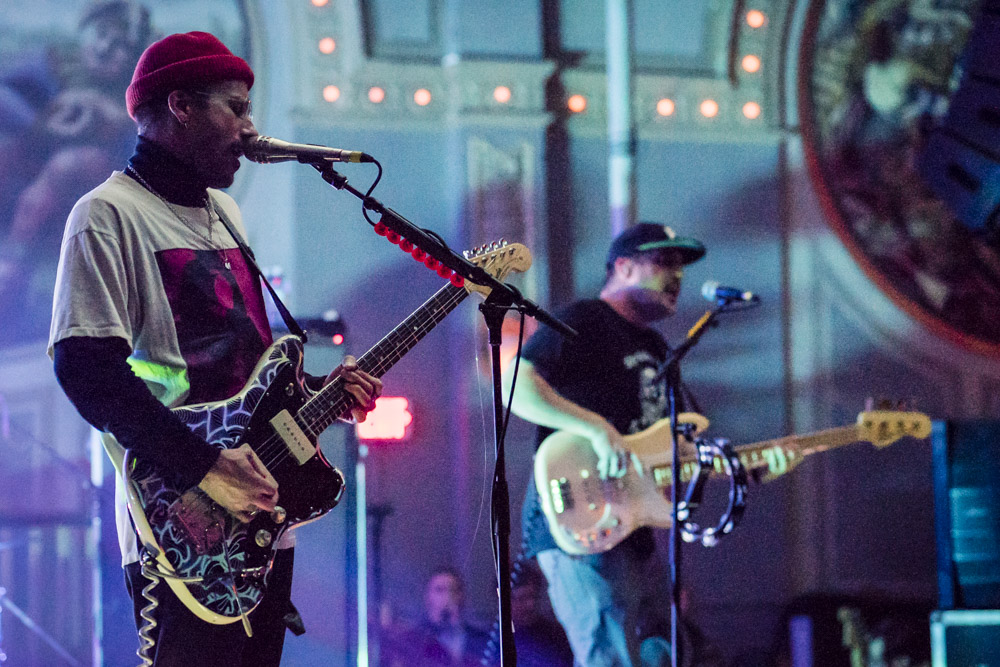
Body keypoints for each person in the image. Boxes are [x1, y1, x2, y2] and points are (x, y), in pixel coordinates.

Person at [48, 31, 382, 666]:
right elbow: (85, 369)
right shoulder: (106, 214)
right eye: (236, 107)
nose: (250, 128)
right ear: (180, 105)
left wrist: (316, 398)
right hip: (182, 520)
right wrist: (203, 465)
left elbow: (243, 365)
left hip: (260, 515)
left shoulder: (226, 212)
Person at [504, 222, 707, 666]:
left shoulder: (656, 347)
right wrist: (595, 428)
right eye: (664, 262)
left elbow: (663, 450)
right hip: (580, 518)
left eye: (681, 267)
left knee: (671, 652)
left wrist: (739, 468)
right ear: (624, 266)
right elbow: (515, 384)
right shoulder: (585, 320)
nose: (677, 276)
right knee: (609, 657)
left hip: (633, 531)